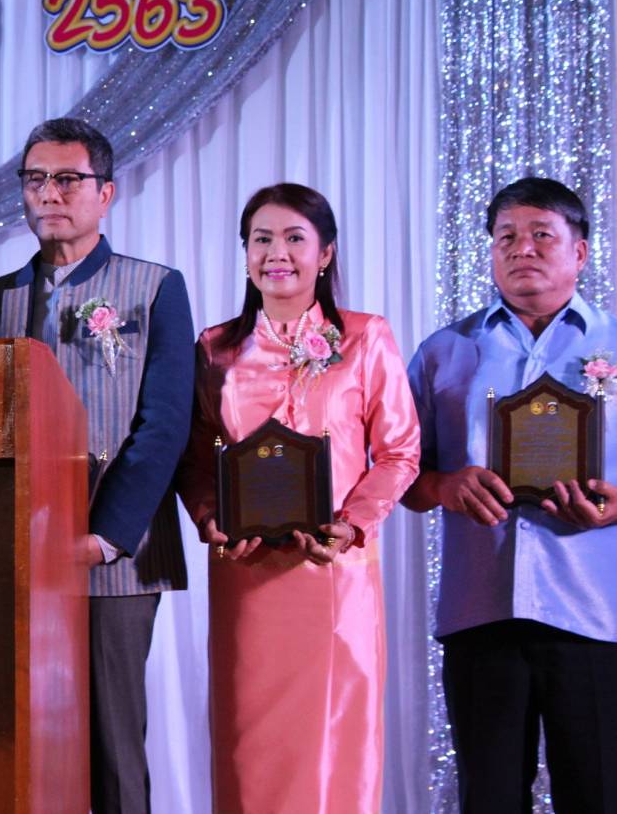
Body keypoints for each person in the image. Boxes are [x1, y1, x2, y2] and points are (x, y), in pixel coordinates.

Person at [0, 118, 191, 813]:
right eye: (35, 179)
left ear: (106, 193)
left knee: (113, 748)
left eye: (67, 179)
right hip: (15, 555)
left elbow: (164, 426)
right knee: (17, 745)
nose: (49, 193)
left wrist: (105, 535)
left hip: (114, 557)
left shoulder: (154, 288)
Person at [178, 183, 419, 814]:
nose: (276, 253)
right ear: (245, 254)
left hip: (335, 570)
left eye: (294, 238)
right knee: (250, 744)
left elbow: (400, 452)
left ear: (326, 254)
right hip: (247, 574)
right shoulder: (215, 348)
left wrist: (353, 524)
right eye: (261, 239)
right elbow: (196, 459)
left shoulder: (365, 337)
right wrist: (209, 518)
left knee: (336, 743)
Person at [403, 177, 617, 812]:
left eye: (542, 234)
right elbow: (394, 473)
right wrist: (444, 484)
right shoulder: (444, 352)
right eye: (506, 237)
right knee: (490, 799)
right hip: (481, 612)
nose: (522, 248)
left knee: (599, 795)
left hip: (595, 614)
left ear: (580, 251)